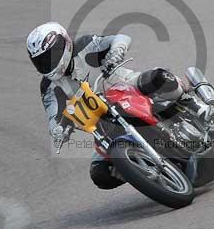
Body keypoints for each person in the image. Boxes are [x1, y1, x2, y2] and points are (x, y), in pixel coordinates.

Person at [26, 22, 186, 189]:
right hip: (103, 124)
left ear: (64, 44)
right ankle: (143, 171)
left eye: (51, 55)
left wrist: (117, 50)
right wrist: (58, 130)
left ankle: (191, 100)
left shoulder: (86, 45)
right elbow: (54, 116)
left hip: (127, 86)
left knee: (160, 78)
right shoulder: (49, 87)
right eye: (41, 61)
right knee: (100, 174)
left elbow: (121, 38)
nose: (48, 63)